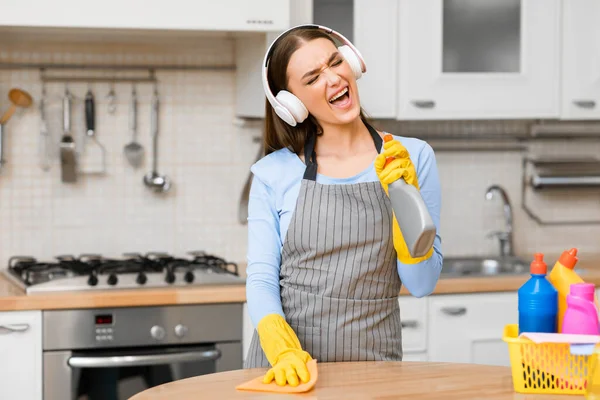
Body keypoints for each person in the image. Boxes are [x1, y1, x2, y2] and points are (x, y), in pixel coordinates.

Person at [244, 24, 443, 387]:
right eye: (313, 77)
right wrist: (280, 346)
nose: (333, 78)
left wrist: (404, 197)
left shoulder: (411, 158)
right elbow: (261, 279)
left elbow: (422, 284)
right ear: (292, 104)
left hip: (374, 366)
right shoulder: (273, 173)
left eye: (335, 62)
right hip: (288, 371)